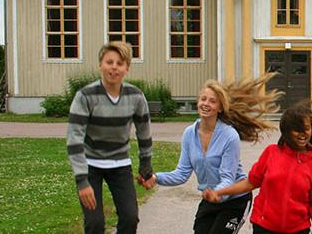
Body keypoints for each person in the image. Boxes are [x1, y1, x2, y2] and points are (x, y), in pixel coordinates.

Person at [141, 75, 280, 234]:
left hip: (235, 200)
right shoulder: (189, 134)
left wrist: (217, 192)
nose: (206, 104)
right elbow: (181, 173)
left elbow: (227, 177)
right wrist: (155, 177)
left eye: (212, 101)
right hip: (210, 199)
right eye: (203, 99)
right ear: (198, 102)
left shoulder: (229, 135)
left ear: (220, 108)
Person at [203, 101, 312, 234]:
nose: (303, 134)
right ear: (286, 131)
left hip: (298, 230)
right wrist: (220, 192)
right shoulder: (271, 153)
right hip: (263, 228)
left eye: (306, 128)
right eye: (297, 130)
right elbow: (249, 183)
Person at [66, 41, 153, 234]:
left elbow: (144, 134)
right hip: (91, 165)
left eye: (120, 63)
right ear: (100, 65)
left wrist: (145, 167)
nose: (114, 67)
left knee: (130, 218)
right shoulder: (85, 96)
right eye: (109, 62)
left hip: (120, 164)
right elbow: (74, 140)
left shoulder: (136, 96)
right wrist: (82, 181)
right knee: (95, 223)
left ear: (127, 68)